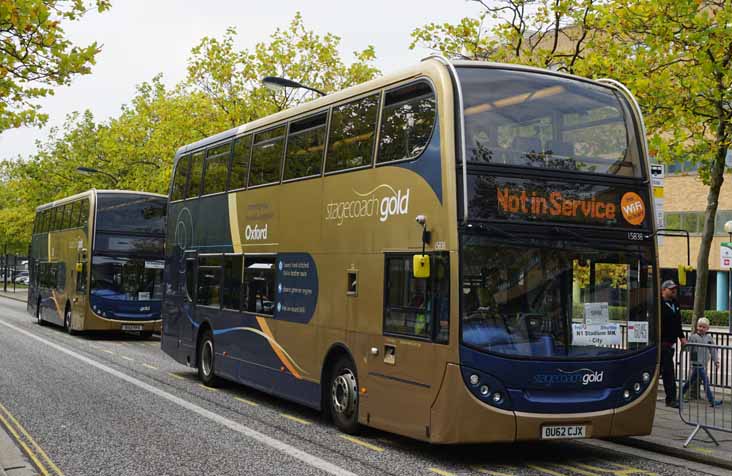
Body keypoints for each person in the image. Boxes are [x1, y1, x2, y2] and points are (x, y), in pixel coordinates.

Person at [682, 317, 722, 406]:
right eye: (700, 326)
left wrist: (716, 361)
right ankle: (712, 401)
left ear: (707, 328)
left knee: (690, 382)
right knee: (706, 382)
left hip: (702, 364)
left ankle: (680, 396)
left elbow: (713, 350)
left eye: (704, 327)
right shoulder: (693, 337)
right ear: (697, 327)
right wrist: (692, 360)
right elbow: (689, 349)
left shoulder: (709, 338)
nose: (701, 329)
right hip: (697, 365)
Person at [660, 280, 686, 408]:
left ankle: (671, 399)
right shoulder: (658, 304)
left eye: (674, 289)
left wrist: (682, 337)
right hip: (660, 344)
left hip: (670, 344)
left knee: (668, 372)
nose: (674, 291)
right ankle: (670, 399)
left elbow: (677, 322)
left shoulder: (675, 303)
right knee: (664, 372)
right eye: (671, 289)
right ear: (663, 290)